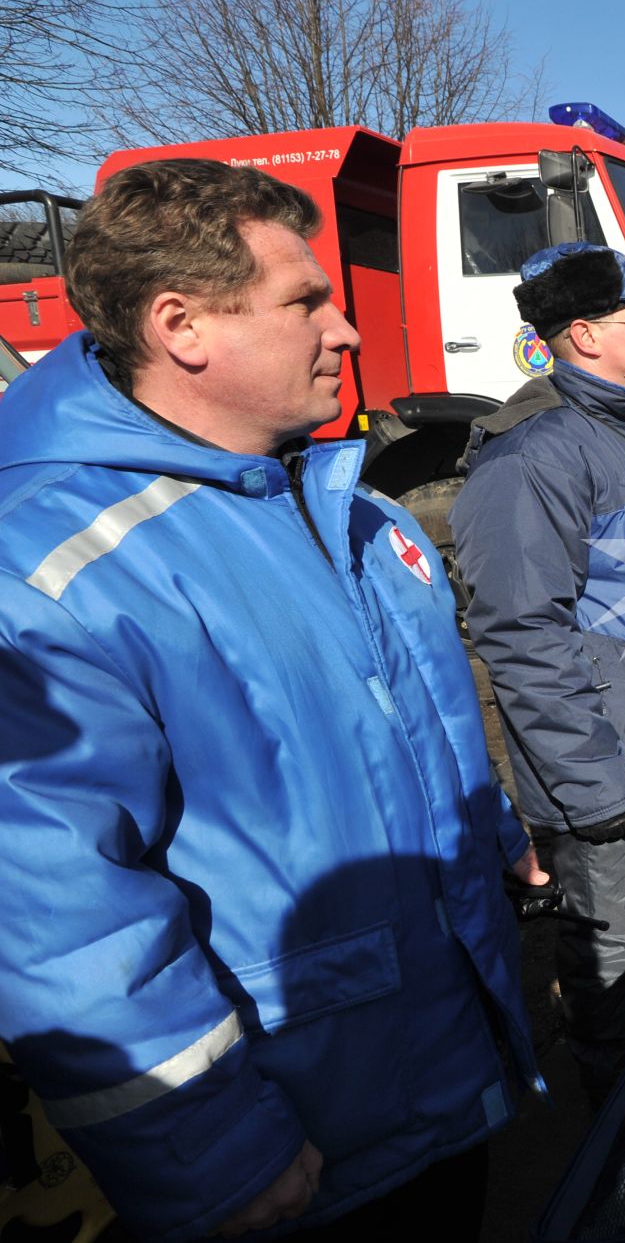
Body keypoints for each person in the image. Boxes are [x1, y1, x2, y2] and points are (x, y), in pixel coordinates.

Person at [0, 158, 540, 1239]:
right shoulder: (51, 568)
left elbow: (404, 729)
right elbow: (52, 914)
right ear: (182, 324)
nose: (344, 331)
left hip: (428, 1082)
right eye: (306, 302)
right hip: (289, 1151)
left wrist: (490, 831)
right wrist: (213, 1153)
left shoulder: (345, 503)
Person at [452, 242, 625, 1100]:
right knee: (614, 977)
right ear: (582, 334)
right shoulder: (532, 457)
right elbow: (522, 639)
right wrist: (596, 789)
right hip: (618, 786)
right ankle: (616, 1161)